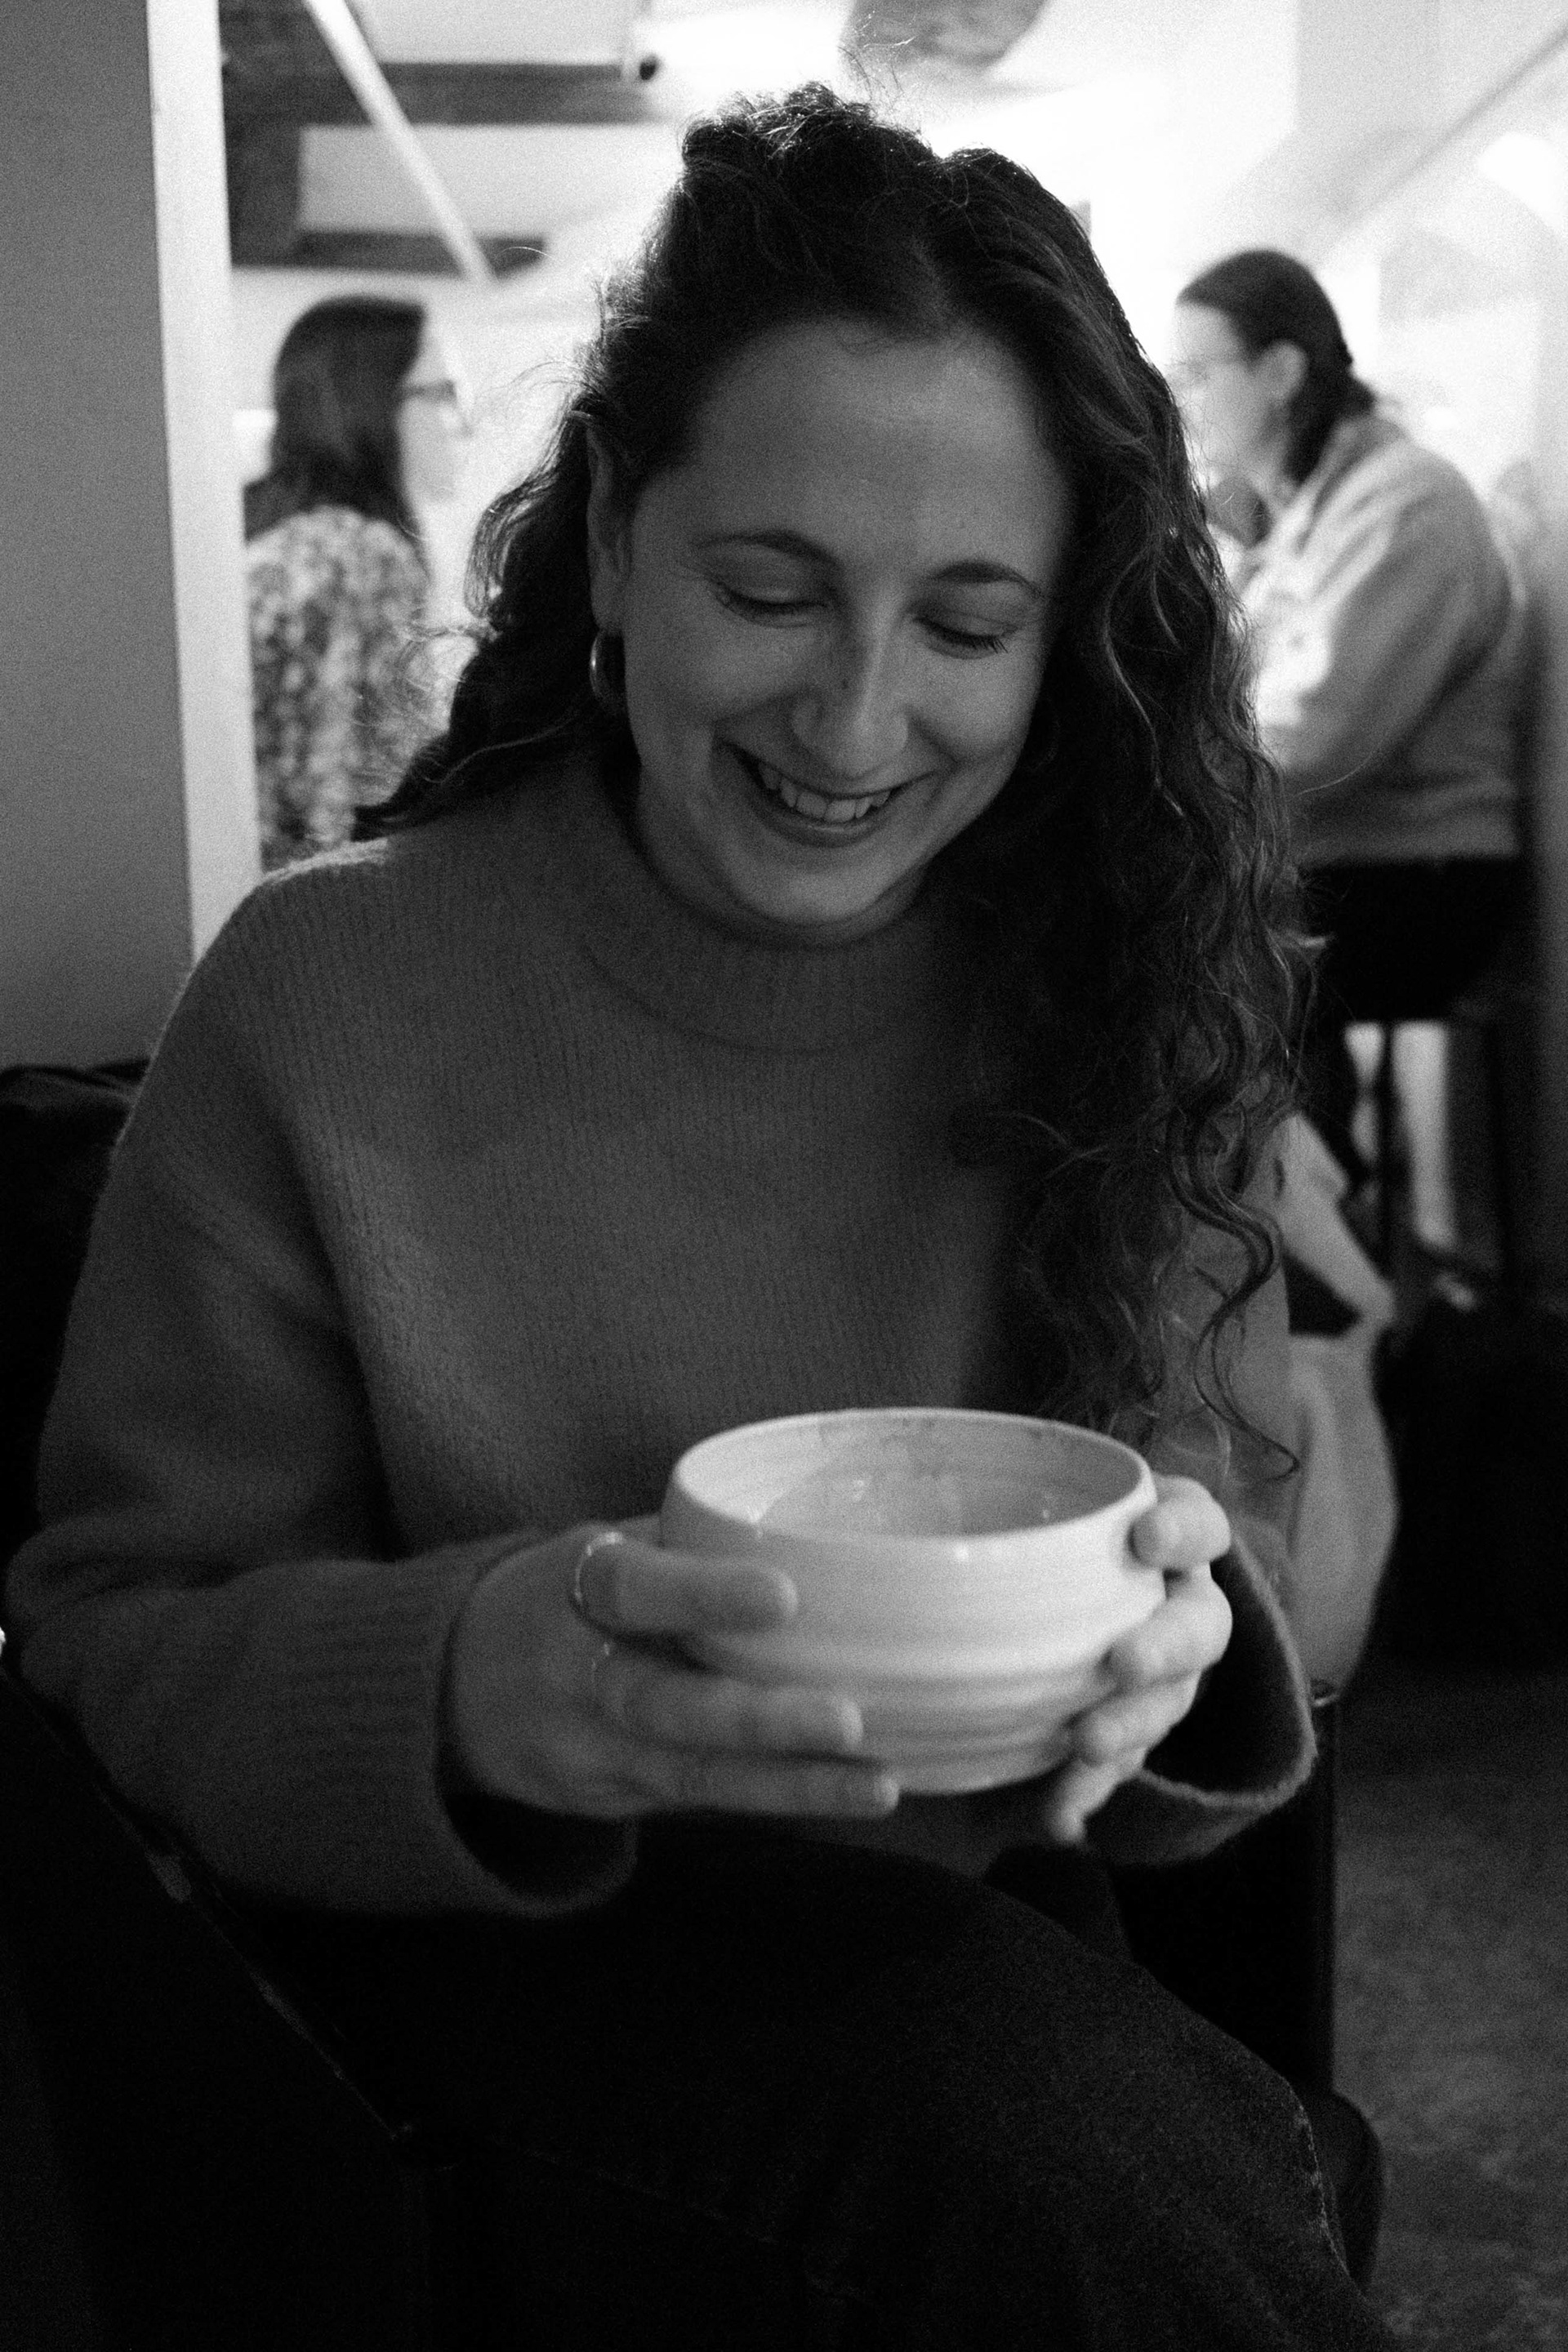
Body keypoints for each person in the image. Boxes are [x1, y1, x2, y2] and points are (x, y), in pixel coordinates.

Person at [7, 91, 1395, 2346]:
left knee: (1075, 2149)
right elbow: (114, 1635)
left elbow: (1207, 1507)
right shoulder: (330, 994)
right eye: (767, 591)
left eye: (968, 623)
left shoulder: (1133, 989)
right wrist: (479, 1678)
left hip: (984, 1971)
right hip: (487, 1999)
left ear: (1065, 641)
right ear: (614, 541)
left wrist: (1177, 1636)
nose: (854, 718)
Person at [1169, 251, 1525, 1251]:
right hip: (1347, 866)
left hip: (1421, 883)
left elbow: (1311, 737)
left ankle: (1289, 1249)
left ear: (1281, 372)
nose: (1183, 402)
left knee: (1183, 951)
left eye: (1197, 374)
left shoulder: (1406, 504)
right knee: (1159, 928)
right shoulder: (1305, 515)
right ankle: (1277, 1231)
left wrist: (1156, 779)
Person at [243, 293, 470, 869]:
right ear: (372, 403)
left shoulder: (278, 536)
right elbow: (366, 786)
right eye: (443, 393)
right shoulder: (366, 557)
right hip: (312, 894)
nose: (461, 425)